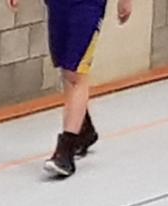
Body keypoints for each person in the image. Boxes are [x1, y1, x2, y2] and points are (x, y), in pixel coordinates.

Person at [9, 0, 132, 178]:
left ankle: (65, 151)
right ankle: (83, 128)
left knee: (76, 72)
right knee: (66, 68)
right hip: (58, 4)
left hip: (87, 5)